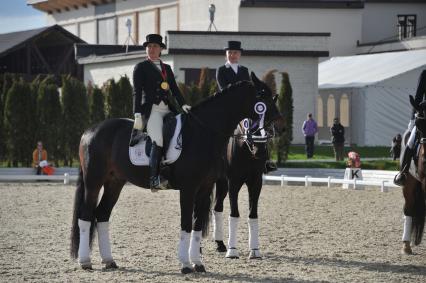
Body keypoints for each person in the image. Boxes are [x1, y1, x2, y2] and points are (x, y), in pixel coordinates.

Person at [129, 34, 191, 190]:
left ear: (161, 49)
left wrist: (183, 105)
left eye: (155, 46)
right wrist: (137, 113)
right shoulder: (141, 67)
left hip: (167, 109)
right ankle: (154, 178)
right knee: (158, 139)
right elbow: (137, 91)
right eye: (149, 46)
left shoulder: (167, 68)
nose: (151, 49)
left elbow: (175, 90)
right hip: (152, 111)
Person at [216, 40, 277, 173]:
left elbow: (249, 89)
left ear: (239, 55)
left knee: (260, 128)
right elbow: (224, 90)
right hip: (228, 108)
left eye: (235, 53)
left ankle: (265, 160)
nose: (233, 55)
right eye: (230, 52)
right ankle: (217, 159)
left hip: (244, 109)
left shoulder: (244, 70)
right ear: (226, 54)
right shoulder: (221, 70)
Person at [394, 70, 426, 186]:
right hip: (424, 115)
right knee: (411, 140)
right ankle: (403, 172)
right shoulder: (424, 74)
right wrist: (413, 118)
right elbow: (418, 97)